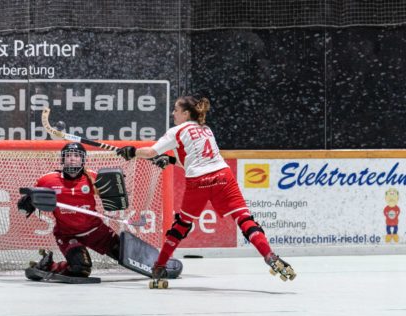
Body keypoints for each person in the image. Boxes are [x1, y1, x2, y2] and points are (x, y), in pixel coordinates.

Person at [116, 96, 296, 281]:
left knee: (182, 225)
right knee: (244, 219)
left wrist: (132, 152)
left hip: (199, 182)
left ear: (185, 113)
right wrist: (170, 160)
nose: (173, 113)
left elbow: (151, 152)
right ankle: (269, 255)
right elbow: (196, 160)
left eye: (176, 110)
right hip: (223, 176)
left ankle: (159, 267)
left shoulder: (176, 131)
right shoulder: (206, 129)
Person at [17, 142, 120, 278]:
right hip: (68, 235)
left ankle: (158, 266)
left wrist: (117, 190)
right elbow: (23, 208)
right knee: (80, 269)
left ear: (83, 159)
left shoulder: (93, 178)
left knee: (126, 252)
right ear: (62, 159)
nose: (72, 158)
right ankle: (49, 266)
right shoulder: (48, 180)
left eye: (76, 156)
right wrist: (27, 204)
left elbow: (114, 200)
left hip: (95, 230)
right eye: (68, 155)